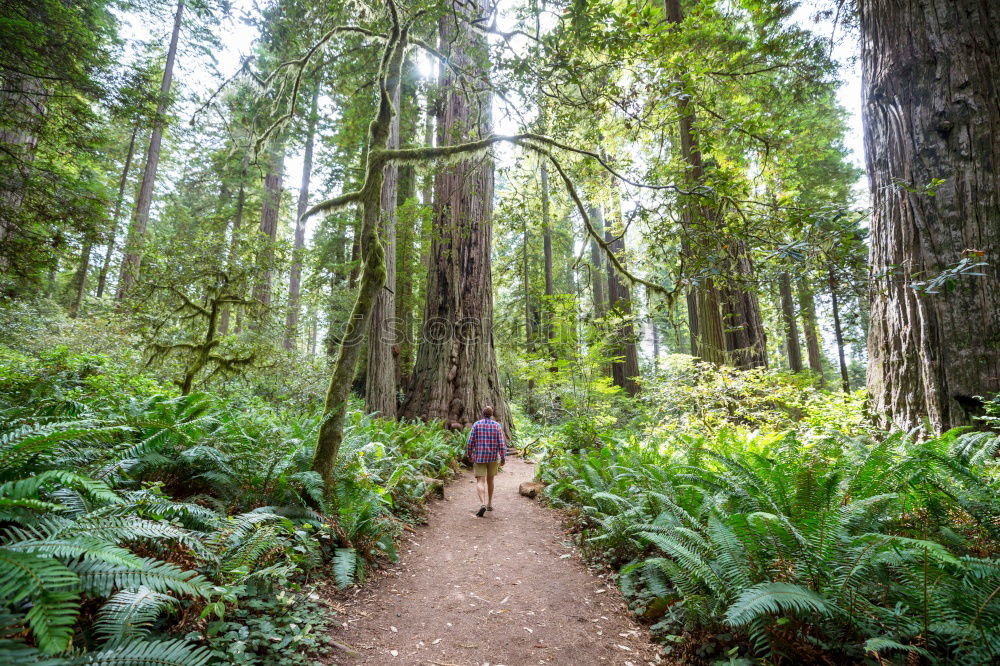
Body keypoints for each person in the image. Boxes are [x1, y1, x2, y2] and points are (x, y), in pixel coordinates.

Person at [466, 405, 506, 517]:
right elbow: (501, 444)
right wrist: (503, 457)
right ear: (491, 414)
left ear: (483, 413)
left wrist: (469, 454)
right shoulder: (497, 426)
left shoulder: (476, 425)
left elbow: (470, 442)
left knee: (480, 481)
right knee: (490, 480)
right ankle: (489, 503)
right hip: (493, 457)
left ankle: (482, 503)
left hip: (479, 457)